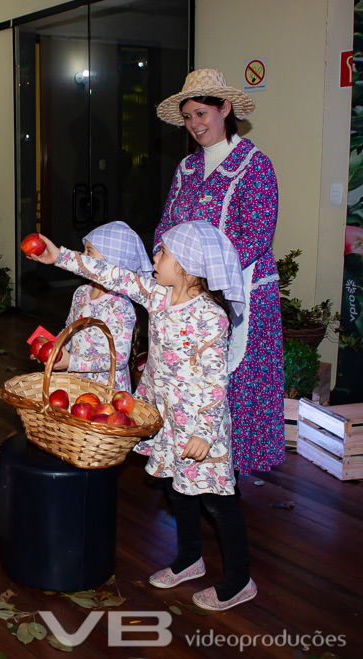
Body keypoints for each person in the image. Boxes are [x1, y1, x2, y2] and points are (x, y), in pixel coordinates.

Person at [30, 221, 255, 611]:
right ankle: (190, 558)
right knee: (176, 490)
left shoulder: (210, 317)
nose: (154, 258)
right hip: (165, 416)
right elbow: (112, 274)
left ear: (186, 265)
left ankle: (239, 581)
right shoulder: (156, 294)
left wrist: (204, 432)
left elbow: (215, 382)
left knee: (216, 501)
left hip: (200, 426)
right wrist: (59, 256)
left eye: (163, 252)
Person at [154, 68, 282, 476]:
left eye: (201, 114)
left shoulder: (254, 166)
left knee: (234, 378)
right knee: (192, 376)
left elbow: (257, 233)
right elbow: (167, 225)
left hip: (242, 289)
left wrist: (204, 276)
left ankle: (231, 468)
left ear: (225, 109)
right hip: (189, 294)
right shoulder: (187, 169)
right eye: (187, 117)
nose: (194, 124)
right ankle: (187, 460)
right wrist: (163, 263)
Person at [48, 221, 150, 392]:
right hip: (78, 382)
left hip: (107, 390)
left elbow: (119, 359)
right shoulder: (81, 293)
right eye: (84, 251)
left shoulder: (120, 305)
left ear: (112, 263)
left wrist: (72, 362)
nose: (83, 257)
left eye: (89, 252)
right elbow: (70, 329)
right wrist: (53, 347)